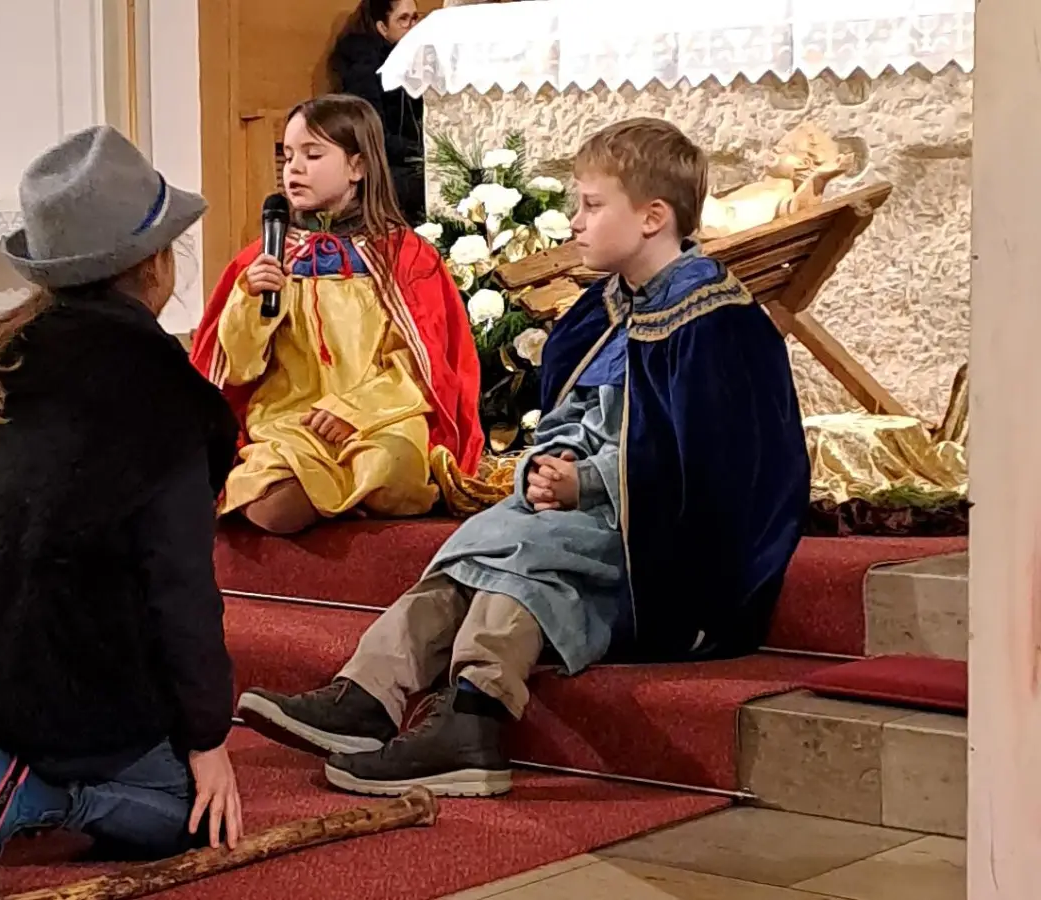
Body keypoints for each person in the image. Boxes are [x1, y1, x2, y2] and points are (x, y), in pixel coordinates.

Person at [236, 117, 811, 797]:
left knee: (529, 561)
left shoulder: (714, 321)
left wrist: (587, 484)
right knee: (487, 541)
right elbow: (583, 414)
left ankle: (475, 718)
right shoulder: (612, 308)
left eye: (592, 206)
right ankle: (367, 695)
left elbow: (720, 471)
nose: (574, 222)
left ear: (654, 217)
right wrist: (551, 467)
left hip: (670, 558)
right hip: (588, 510)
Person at [0, 126, 243, 900]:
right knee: (183, 809)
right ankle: (20, 794)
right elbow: (178, 586)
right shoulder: (165, 393)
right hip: (64, 673)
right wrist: (208, 736)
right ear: (155, 264)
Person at [189, 93, 481, 537]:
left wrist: (353, 409)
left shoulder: (404, 258)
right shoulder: (265, 258)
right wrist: (250, 301)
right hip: (293, 422)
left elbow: (422, 369)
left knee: (393, 462)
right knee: (271, 505)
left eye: (312, 154)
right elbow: (240, 369)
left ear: (358, 167)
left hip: (379, 419)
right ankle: (335, 495)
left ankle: (340, 493)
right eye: (287, 156)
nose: (294, 169)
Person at [330, 0, 427, 224]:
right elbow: (375, 134)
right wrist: (421, 153)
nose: (412, 27)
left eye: (415, 18)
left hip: (410, 159)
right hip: (384, 168)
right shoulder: (364, 68)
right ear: (382, 28)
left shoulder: (419, 63)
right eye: (403, 19)